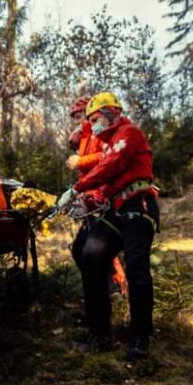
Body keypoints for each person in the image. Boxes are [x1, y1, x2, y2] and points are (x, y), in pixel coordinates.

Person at [66, 92, 159, 359]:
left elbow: (112, 166)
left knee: (137, 267)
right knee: (90, 255)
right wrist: (90, 200)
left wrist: (77, 188)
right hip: (117, 208)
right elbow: (109, 183)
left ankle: (140, 337)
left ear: (113, 113)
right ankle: (99, 332)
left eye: (95, 119)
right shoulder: (108, 143)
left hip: (138, 205)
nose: (92, 124)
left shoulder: (129, 134)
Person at [65, 96, 128, 298]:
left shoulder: (102, 133)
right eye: (74, 116)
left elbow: (107, 157)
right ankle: (102, 290)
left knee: (98, 248)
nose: (77, 119)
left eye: (81, 115)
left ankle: (115, 289)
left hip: (104, 197)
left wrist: (81, 161)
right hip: (90, 198)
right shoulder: (84, 136)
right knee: (82, 249)